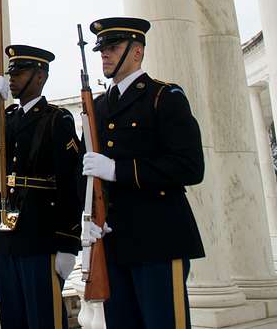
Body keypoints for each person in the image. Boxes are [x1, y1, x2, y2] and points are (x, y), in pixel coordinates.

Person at [81, 17, 205, 329]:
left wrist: (117, 170)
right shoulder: (97, 107)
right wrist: (87, 221)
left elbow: (190, 166)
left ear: (137, 52)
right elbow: (87, 178)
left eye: (113, 47)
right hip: (113, 242)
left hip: (158, 238)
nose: (104, 55)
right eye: (101, 49)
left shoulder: (164, 97)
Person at [0, 45, 82, 329]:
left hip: (41, 229)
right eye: (11, 73)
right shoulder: (10, 118)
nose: (12, 78)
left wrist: (69, 243)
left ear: (40, 76)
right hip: (9, 223)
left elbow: (72, 183)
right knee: (13, 313)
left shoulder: (57, 119)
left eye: (19, 73)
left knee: (42, 315)